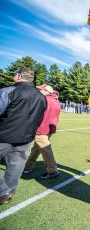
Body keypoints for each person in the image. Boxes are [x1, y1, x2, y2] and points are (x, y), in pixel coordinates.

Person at [0, 68, 47, 204]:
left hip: (4, 135)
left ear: (19, 76)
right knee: (16, 165)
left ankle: (4, 191)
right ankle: (8, 192)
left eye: (14, 74)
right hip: (26, 137)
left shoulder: (8, 91)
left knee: (16, 165)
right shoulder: (41, 97)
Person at [23, 84, 61, 178]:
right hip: (50, 128)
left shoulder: (43, 99)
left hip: (41, 128)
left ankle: (52, 170)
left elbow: (34, 114)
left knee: (45, 149)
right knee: (36, 148)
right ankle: (28, 166)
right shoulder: (56, 100)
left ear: (47, 91)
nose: (39, 91)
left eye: (41, 90)